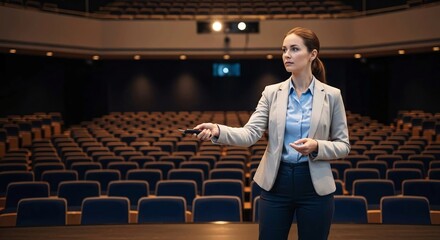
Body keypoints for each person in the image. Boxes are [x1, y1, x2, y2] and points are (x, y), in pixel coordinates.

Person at [194, 26, 350, 240]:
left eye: (294, 49)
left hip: (315, 187)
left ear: (312, 54)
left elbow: (343, 145)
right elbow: (249, 134)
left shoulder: (332, 95)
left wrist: (317, 146)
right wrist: (217, 130)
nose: (287, 55)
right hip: (276, 182)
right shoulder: (271, 93)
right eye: (284, 49)